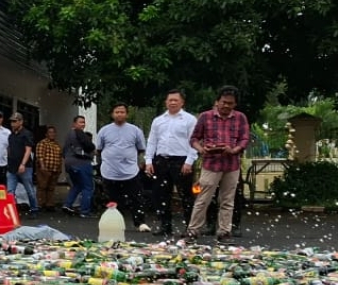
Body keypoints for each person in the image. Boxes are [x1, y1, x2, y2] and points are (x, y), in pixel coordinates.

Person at [187, 85, 250, 242]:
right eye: (223, 102)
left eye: (230, 103)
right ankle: (193, 231)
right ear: (217, 102)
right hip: (211, 163)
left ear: (235, 104)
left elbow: (244, 139)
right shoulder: (205, 117)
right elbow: (194, 139)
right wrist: (202, 149)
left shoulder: (240, 117)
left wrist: (234, 149)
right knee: (203, 199)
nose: (226, 106)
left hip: (231, 164)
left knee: (228, 200)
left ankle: (224, 232)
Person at [144, 89, 198, 237]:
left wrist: (189, 161)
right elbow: (152, 141)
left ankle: (190, 228)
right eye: (170, 100)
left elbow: (194, 141)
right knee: (160, 194)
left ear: (182, 102)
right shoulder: (158, 120)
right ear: (166, 102)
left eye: (176, 100)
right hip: (161, 160)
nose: (173, 102)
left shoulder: (190, 119)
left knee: (185, 195)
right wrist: (149, 160)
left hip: (181, 161)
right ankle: (165, 226)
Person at [96, 103, 148, 229]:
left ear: (127, 114)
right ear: (112, 114)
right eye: (117, 112)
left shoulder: (135, 130)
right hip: (109, 172)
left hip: (130, 171)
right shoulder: (104, 130)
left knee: (137, 198)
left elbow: (141, 148)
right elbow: (99, 149)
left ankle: (140, 223)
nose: (119, 114)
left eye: (122, 112)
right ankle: (114, 223)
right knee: (112, 200)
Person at [60, 115, 96, 217]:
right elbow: (89, 145)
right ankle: (84, 211)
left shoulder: (68, 136)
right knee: (88, 187)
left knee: (77, 185)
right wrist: (92, 149)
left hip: (69, 164)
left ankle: (67, 204)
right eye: (80, 122)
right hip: (81, 163)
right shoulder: (78, 132)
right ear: (74, 124)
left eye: (84, 122)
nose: (83, 124)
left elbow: (63, 152)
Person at [5, 112, 38, 215]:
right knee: (10, 191)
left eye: (15, 121)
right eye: (12, 121)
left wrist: (23, 164)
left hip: (25, 166)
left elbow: (28, 150)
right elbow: (9, 149)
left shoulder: (26, 134)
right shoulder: (11, 135)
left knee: (29, 190)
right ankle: (12, 211)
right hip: (12, 166)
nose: (12, 124)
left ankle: (34, 209)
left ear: (21, 122)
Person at [34, 126, 63, 210]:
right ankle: (40, 204)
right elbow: (40, 156)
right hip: (44, 169)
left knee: (51, 187)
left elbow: (60, 157)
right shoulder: (42, 143)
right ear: (46, 134)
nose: (52, 134)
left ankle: (49, 204)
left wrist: (60, 169)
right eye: (50, 132)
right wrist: (42, 167)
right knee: (42, 186)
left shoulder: (57, 145)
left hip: (55, 170)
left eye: (54, 132)